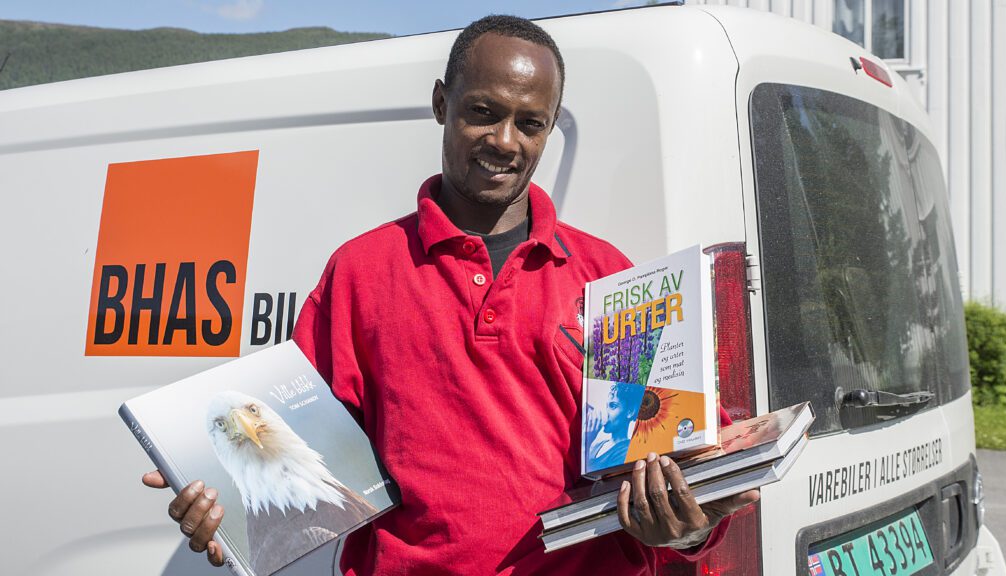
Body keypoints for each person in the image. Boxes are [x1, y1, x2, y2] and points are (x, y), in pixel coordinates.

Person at [143, 14, 759, 574]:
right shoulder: (361, 272)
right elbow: (298, 444)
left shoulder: (610, 277)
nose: (506, 141)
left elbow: (681, 460)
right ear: (442, 102)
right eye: (484, 112)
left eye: (531, 123)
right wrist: (214, 491)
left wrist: (685, 529)